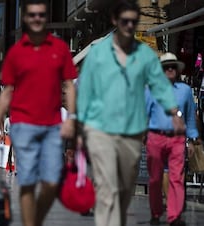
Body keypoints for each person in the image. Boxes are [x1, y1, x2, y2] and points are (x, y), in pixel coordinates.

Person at [77, 2, 185, 226]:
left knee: (125, 186)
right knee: (107, 185)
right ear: (115, 21)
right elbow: (85, 89)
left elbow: (160, 86)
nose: (129, 26)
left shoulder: (144, 55)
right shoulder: (98, 54)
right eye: (124, 21)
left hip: (131, 131)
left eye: (133, 22)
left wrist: (174, 111)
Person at [0, 1, 78, 225]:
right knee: (28, 181)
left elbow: (69, 85)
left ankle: (34, 220)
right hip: (23, 124)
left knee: (53, 182)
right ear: (25, 18)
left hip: (53, 125)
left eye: (41, 14)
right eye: (32, 14)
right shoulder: (16, 53)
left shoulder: (59, 48)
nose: (37, 18)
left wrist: (71, 118)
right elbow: (6, 93)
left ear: (46, 17)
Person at [145, 52, 198, 226]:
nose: (170, 69)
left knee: (176, 177)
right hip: (155, 137)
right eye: (166, 66)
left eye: (173, 66)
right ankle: (156, 211)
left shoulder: (185, 91)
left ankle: (174, 215)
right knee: (155, 178)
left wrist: (192, 139)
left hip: (177, 139)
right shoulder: (150, 89)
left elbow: (190, 117)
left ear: (177, 69)